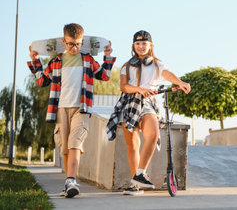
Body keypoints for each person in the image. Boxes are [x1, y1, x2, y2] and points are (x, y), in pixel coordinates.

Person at [27, 23, 115, 198]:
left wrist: (107, 56)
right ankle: (69, 182)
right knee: (65, 147)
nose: (74, 47)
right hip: (60, 108)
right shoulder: (56, 61)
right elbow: (41, 81)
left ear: (82, 42)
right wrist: (36, 60)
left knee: (75, 142)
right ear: (63, 41)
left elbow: (104, 76)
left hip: (81, 108)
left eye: (78, 44)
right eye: (70, 44)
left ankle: (71, 180)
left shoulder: (88, 60)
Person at [106, 30, 190, 195]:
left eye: (144, 43)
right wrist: (139, 89)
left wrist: (180, 82)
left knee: (153, 135)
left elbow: (167, 74)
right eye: (138, 44)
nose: (141, 46)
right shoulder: (127, 66)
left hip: (148, 104)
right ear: (133, 46)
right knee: (133, 145)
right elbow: (123, 87)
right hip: (129, 102)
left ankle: (140, 173)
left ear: (150, 45)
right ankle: (135, 185)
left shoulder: (157, 64)